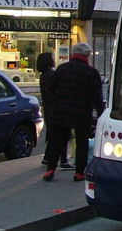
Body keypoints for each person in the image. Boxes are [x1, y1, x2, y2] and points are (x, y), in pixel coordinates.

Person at [42, 42, 105, 182]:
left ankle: (50, 169)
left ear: (73, 54)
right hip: (82, 111)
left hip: (61, 110)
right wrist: (101, 113)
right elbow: (97, 96)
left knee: (57, 141)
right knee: (82, 142)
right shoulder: (91, 72)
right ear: (87, 56)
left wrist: (58, 97)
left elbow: (50, 85)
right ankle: (79, 172)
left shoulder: (62, 69)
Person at [36, 52, 72, 170]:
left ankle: (48, 157)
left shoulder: (43, 75)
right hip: (57, 108)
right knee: (61, 134)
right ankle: (63, 160)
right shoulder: (51, 75)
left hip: (49, 108)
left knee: (53, 135)